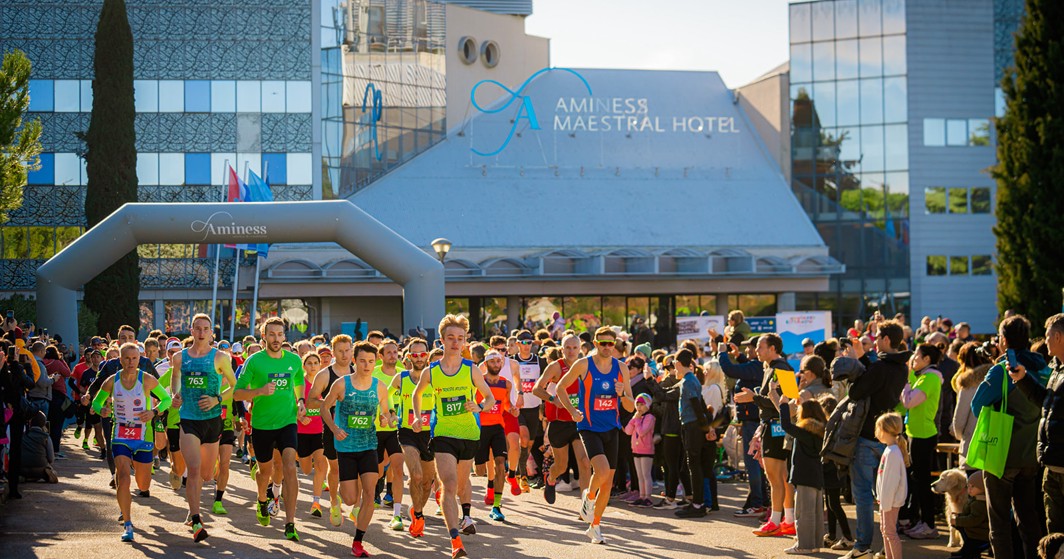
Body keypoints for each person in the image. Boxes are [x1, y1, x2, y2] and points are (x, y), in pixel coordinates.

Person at [411, 314, 495, 559]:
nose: (456, 342)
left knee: (459, 486)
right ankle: (455, 540)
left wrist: (479, 407)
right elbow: (417, 394)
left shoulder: (471, 369)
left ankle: (457, 513)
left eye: (460, 338)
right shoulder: (432, 371)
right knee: (448, 485)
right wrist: (418, 417)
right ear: (442, 340)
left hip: (469, 434)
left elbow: (489, 398)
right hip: (443, 434)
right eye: (451, 338)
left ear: (465, 341)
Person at [971, 314, 1048, 559]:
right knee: (1029, 518)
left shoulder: (1002, 370)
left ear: (1003, 340)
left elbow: (977, 406)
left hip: (1001, 454)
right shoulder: (1044, 368)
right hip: (1032, 453)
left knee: (999, 522)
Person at [556, 326, 636, 545]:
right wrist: (572, 411)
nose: (607, 347)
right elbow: (561, 387)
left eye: (611, 343)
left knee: (607, 483)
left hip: (612, 428)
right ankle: (589, 497)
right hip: (589, 427)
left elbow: (630, 407)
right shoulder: (584, 364)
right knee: (600, 470)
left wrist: (622, 394)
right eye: (603, 343)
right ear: (595, 344)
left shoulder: (621, 368)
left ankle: (595, 526)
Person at [320, 340, 397, 558]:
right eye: (362, 361)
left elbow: (386, 412)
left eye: (371, 361)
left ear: (375, 362)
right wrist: (334, 429)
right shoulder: (342, 384)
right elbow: (325, 407)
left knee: (370, 494)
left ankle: (358, 541)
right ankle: (338, 499)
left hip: (369, 445)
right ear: (355, 361)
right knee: (350, 499)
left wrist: (387, 418)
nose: (366, 365)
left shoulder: (379, 387)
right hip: (346, 447)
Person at [233, 316, 307, 541]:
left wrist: (301, 401)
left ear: (284, 336)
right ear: (263, 336)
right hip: (262, 424)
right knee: (264, 472)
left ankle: (290, 522)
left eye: (280, 334)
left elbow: (299, 381)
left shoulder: (294, 360)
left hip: (288, 422)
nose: (276, 339)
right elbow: (237, 394)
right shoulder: (254, 361)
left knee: (289, 468)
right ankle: (261, 499)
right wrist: (259, 391)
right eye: (272, 334)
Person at [92, 342, 172, 542]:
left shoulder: (147, 380)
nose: (130, 362)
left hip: (143, 437)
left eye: (134, 358)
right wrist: (102, 409)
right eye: (126, 358)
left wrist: (154, 412)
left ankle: (138, 471)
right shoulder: (112, 381)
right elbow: (96, 402)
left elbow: (167, 399)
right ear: (120, 360)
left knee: (143, 484)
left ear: (139, 360)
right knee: (123, 477)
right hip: (120, 435)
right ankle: (128, 523)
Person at [843, 320, 910, 559]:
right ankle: (885, 546)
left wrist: (857, 363)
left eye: (878, 337)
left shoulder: (880, 367)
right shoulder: (902, 367)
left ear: (886, 339)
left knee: (862, 493)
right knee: (885, 495)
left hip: (867, 435)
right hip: (888, 436)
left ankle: (862, 546)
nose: (875, 341)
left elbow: (855, 392)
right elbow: (876, 378)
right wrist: (863, 359)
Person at [169, 314, 237, 542]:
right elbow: (175, 378)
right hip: (188, 419)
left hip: (212, 421)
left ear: (211, 333)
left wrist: (217, 399)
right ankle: (196, 519)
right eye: (197, 328)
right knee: (194, 469)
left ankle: (195, 505)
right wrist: (175, 395)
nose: (201, 332)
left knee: (207, 475)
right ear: (191, 330)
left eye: (205, 329)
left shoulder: (220, 357)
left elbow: (235, 386)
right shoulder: (179, 357)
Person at [1009, 313, 1064, 535]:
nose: (1044, 340)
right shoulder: (1056, 369)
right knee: (1054, 531)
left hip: (1059, 463)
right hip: (1051, 464)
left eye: (1048, 335)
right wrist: (1023, 379)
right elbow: (1045, 402)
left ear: (1059, 337)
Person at [735, 333, 795, 537]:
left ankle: (777, 521)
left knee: (776, 476)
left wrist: (754, 398)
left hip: (777, 426)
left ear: (772, 349)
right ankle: (787, 520)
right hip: (774, 425)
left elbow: (790, 402)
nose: (756, 351)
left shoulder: (782, 368)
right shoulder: (771, 367)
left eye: (760, 347)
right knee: (781, 477)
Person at [712, 331, 768, 519]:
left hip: (753, 422)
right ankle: (761, 502)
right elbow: (747, 369)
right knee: (757, 463)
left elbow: (731, 370)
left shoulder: (756, 366)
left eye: (753, 347)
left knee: (753, 463)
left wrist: (721, 352)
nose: (751, 350)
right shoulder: (758, 366)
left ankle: (758, 503)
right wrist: (739, 356)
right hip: (753, 420)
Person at [532, 333, 591, 503]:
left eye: (575, 348)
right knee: (561, 466)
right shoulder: (556, 367)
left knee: (584, 462)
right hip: (559, 423)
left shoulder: (585, 366)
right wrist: (553, 399)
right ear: (562, 349)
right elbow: (536, 389)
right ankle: (551, 478)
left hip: (578, 421)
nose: (571, 351)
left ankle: (586, 504)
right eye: (568, 347)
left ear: (580, 349)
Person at [308, 334, 356, 527]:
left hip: (356, 428)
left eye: (347, 350)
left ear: (352, 351)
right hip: (331, 428)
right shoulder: (325, 375)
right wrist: (329, 403)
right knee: (335, 468)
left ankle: (356, 506)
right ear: (334, 352)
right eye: (340, 351)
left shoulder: (358, 371)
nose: (344, 354)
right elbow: (310, 401)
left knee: (358, 469)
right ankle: (334, 502)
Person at [897, 343, 943, 539]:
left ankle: (929, 525)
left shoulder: (930, 378)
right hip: (915, 433)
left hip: (923, 435)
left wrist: (907, 379)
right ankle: (920, 522)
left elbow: (908, 402)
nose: (913, 359)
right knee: (917, 480)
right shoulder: (923, 376)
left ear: (927, 359)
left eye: (916, 356)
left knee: (923, 482)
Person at [391, 337, 436, 538]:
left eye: (423, 354)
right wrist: (392, 413)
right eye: (415, 355)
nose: (419, 358)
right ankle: (418, 517)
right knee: (416, 475)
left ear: (428, 356)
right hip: (407, 431)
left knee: (427, 482)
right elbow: (387, 395)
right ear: (408, 357)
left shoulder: (435, 378)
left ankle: (416, 509)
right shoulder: (401, 378)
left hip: (430, 433)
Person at [777, 393, 828, 554]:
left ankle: (804, 545)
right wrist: (801, 403)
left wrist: (783, 405)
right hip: (816, 475)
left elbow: (786, 425)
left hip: (804, 475)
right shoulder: (821, 431)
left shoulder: (805, 432)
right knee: (815, 512)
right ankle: (814, 543)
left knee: (803, 512)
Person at [475, 349, 514, 521]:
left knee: (500, 464)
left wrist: (512, 408)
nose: (496, 365)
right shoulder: (478, 382)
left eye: (498, 361)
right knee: (480, 471)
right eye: (492, 361)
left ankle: (496, 506)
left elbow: (506, 404)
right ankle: (489, 486)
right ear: (485, 364)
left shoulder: (506, 384)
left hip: (498, 427)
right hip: (480, 428)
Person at [372, 339, 406, 531]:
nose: (393, 355)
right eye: (389, 353)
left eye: (395, 352)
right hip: (375, 429)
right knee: (377, 469)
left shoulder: (403, 374)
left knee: (398, 468)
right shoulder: (374, 374)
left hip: (397, 430)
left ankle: (396, 514)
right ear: (381, 356)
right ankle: (371, 497)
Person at [674, 348, 710, 518]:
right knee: (693, 465)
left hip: (692, 425)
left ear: (678, 363)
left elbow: (697, 405)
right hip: (693, 425)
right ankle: (697, 502)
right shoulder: (692, 379)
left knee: (693, 465)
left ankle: (697, 504)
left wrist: (705, 428)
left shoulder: (688, 381)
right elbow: (700, 404)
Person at [296, 351, 328, 518]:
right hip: (301, 432)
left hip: (319, 431)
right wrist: (300, 417)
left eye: (316, 363)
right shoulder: (299, 384)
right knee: (307, 469)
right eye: (309, 363)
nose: (313, 366)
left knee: (321, 463)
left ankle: (316, 502)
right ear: (304, 366)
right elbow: (289, 404)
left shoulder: (324, 383)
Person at [513, 330, 545, 491]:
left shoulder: (539, 361)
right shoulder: (512, 361)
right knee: (524, 439)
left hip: (534, 407)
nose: (527, 346)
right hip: (517, 408)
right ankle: (523, 476)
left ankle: (518, 471)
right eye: (524, 343)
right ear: (518, 344)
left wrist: (543, 407)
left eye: (529, 343)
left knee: (529, 443)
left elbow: (546, 383)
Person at [952, 342, 991, 471]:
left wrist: (960, 436)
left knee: (972, 482)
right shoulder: (999, 377)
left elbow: (959, 421)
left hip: (972, 445)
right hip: (996, 445)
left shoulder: (968, 383)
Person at [875, 412, 909, 559]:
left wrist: (886, 502)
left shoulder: (893, 452)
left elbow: (892, 482)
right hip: (886, 500)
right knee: (885, 531)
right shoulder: (890, 450)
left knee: (889, 532)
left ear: (885, 430)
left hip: (890, 501)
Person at [624, 393, 655, 507]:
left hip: (646, 450)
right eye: (637, 404)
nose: (639, 407)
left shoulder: (650, 417)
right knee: (640, 475)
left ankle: (648, 497)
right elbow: (628, 431)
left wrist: (636, 421)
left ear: (647, 405)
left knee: (646, 474)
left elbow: (642, 432)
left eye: (642, 404)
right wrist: (633, 419)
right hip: (636, 449)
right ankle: (641, 496)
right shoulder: (636, 417)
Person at [950, 470, 991, 559]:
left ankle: (969, 552)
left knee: (962, 527)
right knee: (960, 527)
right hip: (977, 531)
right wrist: (959, 516)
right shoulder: (975, 499)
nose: (969, 489)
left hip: (980, 534)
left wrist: (958, 520)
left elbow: (974, 520)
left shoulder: (980, 503)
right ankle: (967, 549)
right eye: (968, 486)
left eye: (973, 487)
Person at [20, 410, 57, 483]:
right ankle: (45, 474)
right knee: (52, 471)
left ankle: (25, 477)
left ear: (30, 423)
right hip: (41, 470)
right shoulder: (46, 437)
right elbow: (51, 458)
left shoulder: (23, 435)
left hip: (23, 469)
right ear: (44, 424)